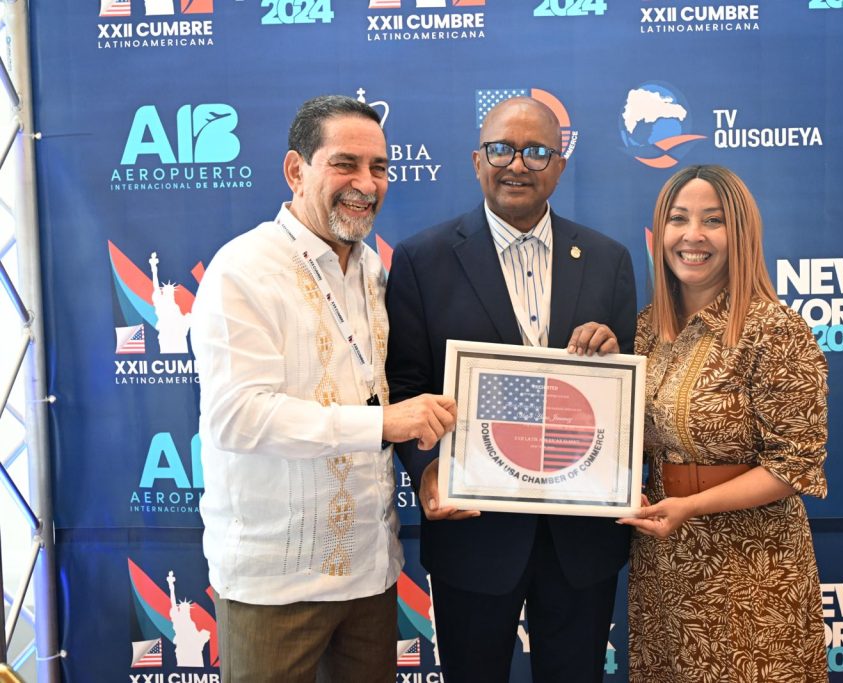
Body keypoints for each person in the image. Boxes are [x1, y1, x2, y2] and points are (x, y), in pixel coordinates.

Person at [191, 95, 456, 682]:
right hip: (275, 581)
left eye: (379, 168)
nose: (366, 183)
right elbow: (238, 417)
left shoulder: (372, 270)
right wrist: (382, 424)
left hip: (371, 570)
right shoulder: (243, 269)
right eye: (345, 164)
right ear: (296, 170)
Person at [385, 96, 637, 682]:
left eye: (536, 151)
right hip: (474, 535)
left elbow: (627, 393)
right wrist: (426, 468)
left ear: (559, 165)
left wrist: (610, 356)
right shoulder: (423, 261)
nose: (517, 164)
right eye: (501, 149)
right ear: (477, 161)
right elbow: (404, 387)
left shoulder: (608, 260)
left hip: (581, 538)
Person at [618, 164, 829, 682]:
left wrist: (689, 505)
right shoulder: (643, 330)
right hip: (666, 561)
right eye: (678, 218)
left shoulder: (775, 331)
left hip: (753, 567)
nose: (693, 235)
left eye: (713, 220)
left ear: (741, 234)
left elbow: (794, 465)